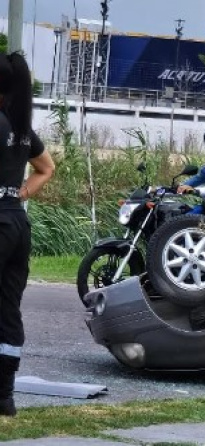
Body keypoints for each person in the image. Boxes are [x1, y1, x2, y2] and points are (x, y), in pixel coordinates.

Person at [0, 52, 56, 417]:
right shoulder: (20, 126)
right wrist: (16, 194)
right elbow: (46, 167)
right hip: (17, 223)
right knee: (7, 308)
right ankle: (4, 394)